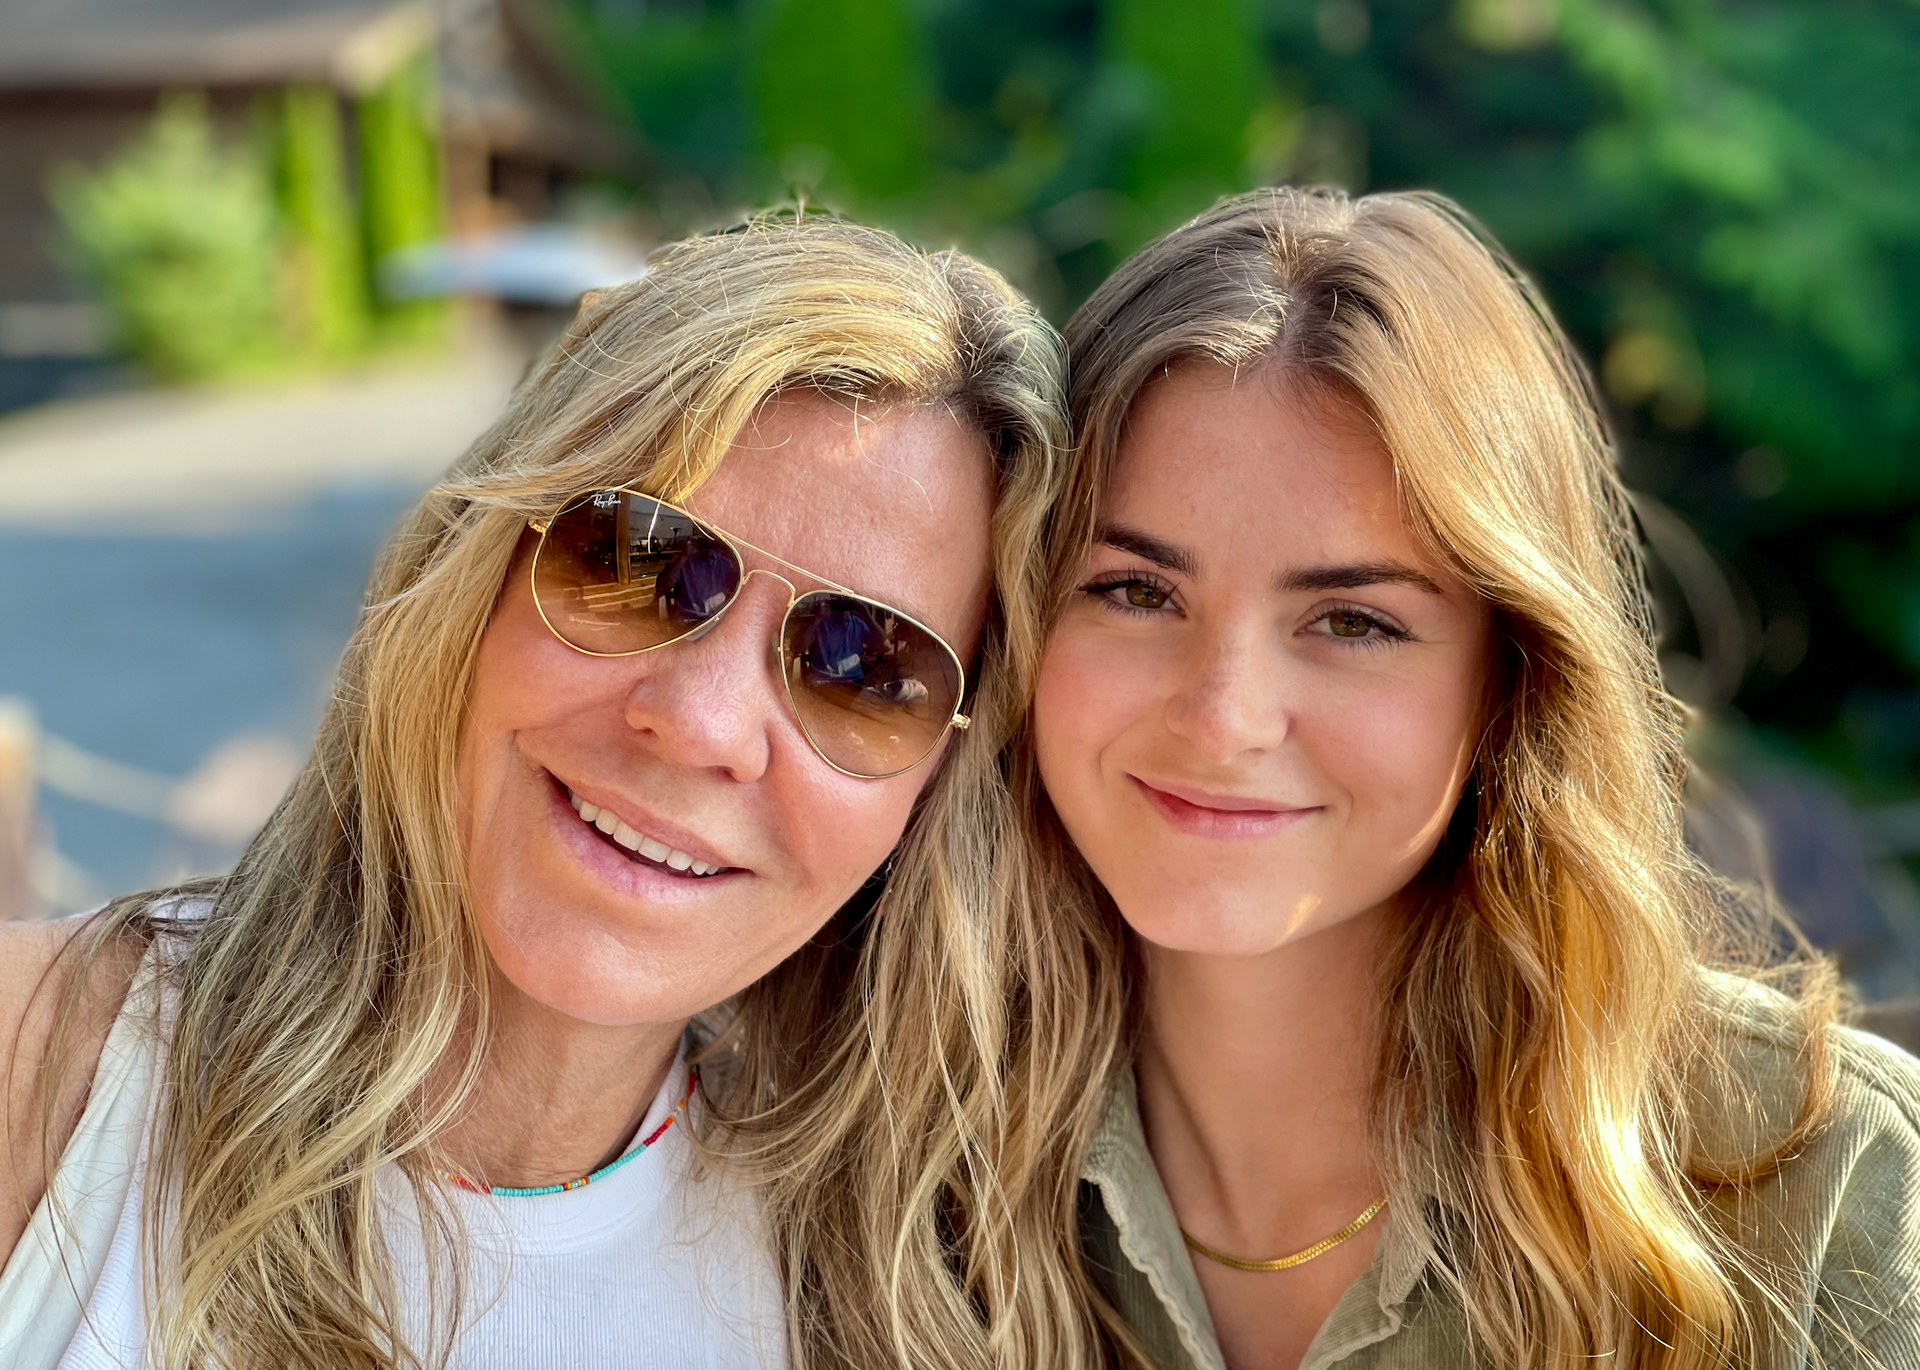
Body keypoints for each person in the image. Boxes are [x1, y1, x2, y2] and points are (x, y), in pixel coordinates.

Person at [0, 214, 1069, 1370]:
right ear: (477, 564)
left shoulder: (921, 1304)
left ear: (940, 783)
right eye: (630, 560)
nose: (701, 724)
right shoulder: (40, 1076)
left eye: (862, 666)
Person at [1005, 187, 1920, 1370]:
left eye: (1351, 619)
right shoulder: (879, 1163)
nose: (1225, 716)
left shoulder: (1834, 1194)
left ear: (1510, 676)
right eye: (1136, 590)